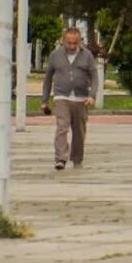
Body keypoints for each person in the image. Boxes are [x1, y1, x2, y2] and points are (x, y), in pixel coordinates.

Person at [42, 25, 97, 172]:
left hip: (81, 98)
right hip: (62, 96)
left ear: (79, 41)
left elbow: (94, 77)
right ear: (64, 41)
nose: (72, 46)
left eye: (75, 43)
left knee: (79, 131)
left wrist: (92, 96)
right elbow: (48, 78)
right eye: (69, 43)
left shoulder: (87, 56)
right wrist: (44, 100)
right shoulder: (55, 55)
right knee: (62, 127)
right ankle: (60, 158)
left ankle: (77, 159)